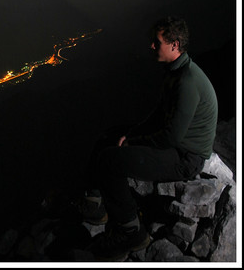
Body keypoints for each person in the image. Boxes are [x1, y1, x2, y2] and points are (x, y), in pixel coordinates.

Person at [80, 16, 219, 261]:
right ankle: (95, 205)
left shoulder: (187, 82)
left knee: (111, 161)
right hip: (177, 146)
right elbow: (160, 115)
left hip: (185, 158)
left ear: (174, 45)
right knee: (109, 137)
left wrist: (134, 142)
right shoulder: (176, 72)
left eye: (157, 42)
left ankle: (131, 232)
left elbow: (170, 136)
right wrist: (131, 133)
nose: (151, 47)